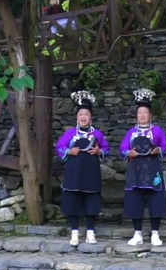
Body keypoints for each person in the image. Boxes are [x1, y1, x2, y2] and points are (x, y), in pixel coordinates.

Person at [55, 90, 111, 246]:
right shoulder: (70, 134)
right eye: (81, 114)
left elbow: (107, 149)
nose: (83, 117)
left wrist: (99, 151)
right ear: (76, 117)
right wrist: (69, 151)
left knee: (91, 201)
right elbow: (59, 147)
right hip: (74, 171)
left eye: (86, 114)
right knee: (73, 201)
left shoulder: (97, 134)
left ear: (91, 117)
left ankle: (90, 232)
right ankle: (74, 232)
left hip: (91, 172)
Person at [120, 88, 166, 246]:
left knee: (156, 201)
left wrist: (159, 150)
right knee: (135, 201)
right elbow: (123, 148)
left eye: (145, 113)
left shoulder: (157, 131)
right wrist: (129, 153)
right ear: (136, 115)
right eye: (139, 113)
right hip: (135, 171)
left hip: (153, 170)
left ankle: (155, 233)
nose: (142, 115)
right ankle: (137, 234)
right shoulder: (131, 132)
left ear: (150, 115)